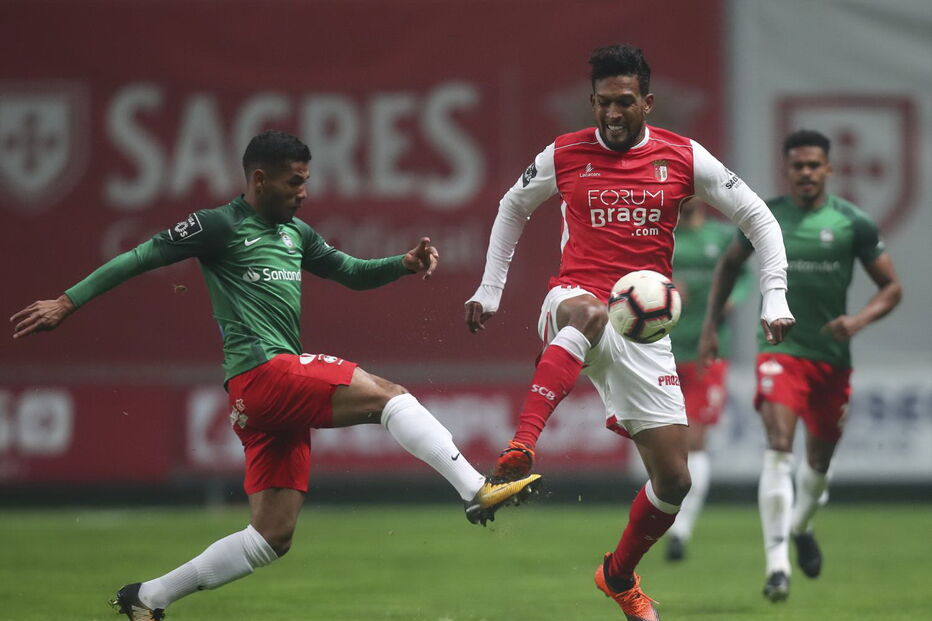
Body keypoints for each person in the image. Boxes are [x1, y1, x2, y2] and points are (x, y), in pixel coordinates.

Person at [10, 130, 541, 621]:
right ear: (259, 179)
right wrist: (67, 301)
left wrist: (399, 264)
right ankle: (475, 489)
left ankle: (147, 597)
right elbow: (140, 256)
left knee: (271, 536)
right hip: (262, 373)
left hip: (264, 400)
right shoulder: (218, 225)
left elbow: (348, 272)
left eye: (306, 182)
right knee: (389, 396)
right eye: (295, 182)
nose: (303, 192)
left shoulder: (295, 233)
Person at [464, 45, 794, 620]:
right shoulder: (564, 154)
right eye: (602, 103)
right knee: (588, 313)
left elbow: (759, 218)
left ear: (647, 101)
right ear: (591, 102)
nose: (612, 114)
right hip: (572, 299)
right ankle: (519, 450)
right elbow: (512, 206)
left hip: (643, 330)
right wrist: (490, 289)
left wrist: (775, 295)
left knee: (674, 479)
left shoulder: (684, 156)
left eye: (624, 102)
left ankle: (617, 574)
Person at [699, 129, 902, 602]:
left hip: (831, 360)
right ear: (786, 169)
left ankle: (802, 524)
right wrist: (711, 326)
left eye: (814, 165)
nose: (806, 173)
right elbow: (728, 266)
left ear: (828, 169)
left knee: (819, 463)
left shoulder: (853, 223)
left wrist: (859, 319)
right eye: (798, 166)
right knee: (778, 443)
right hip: (780, 350)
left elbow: (891, 287)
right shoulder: (765, 218)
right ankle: (776, 567)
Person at [664, 199, 750, 562]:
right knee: (666, 444)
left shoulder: (722, 236)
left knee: (695, 439)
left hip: (708, 351)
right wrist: (663, 290)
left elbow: (744, 276)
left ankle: (680, 531)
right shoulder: (662, 238)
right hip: (662, 348)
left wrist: (733, 298)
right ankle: (663, 517)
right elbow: (635, 281)